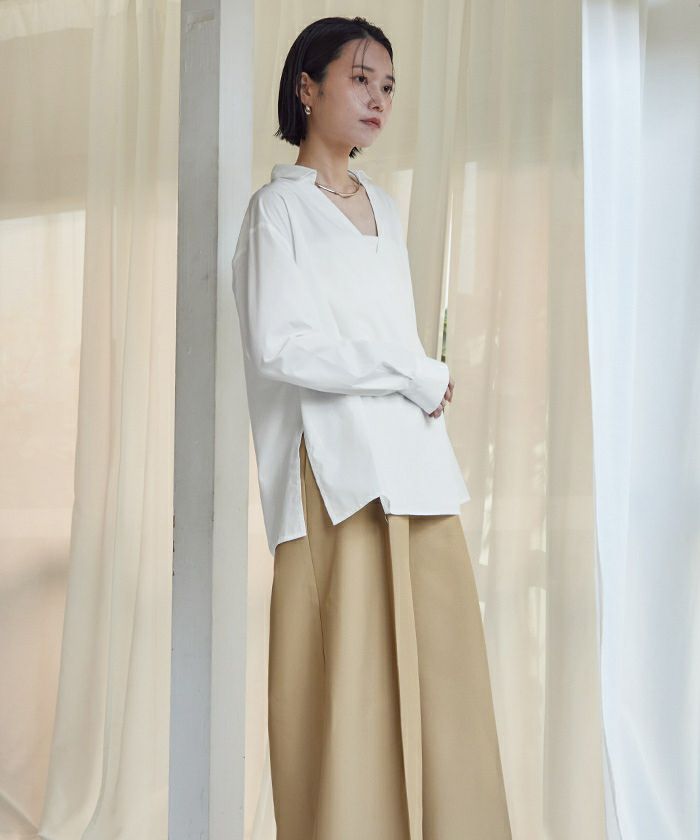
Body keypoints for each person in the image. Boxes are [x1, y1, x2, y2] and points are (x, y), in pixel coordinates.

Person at [231, 15, 511, 840]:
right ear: (306, 88)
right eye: (359, 79)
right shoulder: (276, 211)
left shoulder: (384, 206)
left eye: (387, 85)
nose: (378, 98)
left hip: (416, 470)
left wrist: (416, 379)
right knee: (347, 694)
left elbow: (388, 338)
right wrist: (411, 372)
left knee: (444, 691)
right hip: (336, 474)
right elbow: (281, 346)